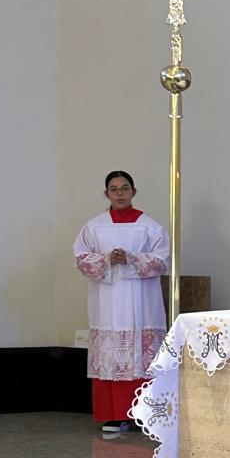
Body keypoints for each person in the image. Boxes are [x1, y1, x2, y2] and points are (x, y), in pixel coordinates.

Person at [74, 170, 169, 437]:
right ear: (107, 194)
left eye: (125, 188)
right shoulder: (94, 226)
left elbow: (162, 260)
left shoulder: (150, 226)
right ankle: (114, 415)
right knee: (111, 356)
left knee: (140, 355)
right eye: (114, 189)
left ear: (133, 192)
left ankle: (145, 414)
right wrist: (106, 259)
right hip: (106, 301)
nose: (119, 194)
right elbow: (81, 259)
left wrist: (131, 258)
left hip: (141, 301)